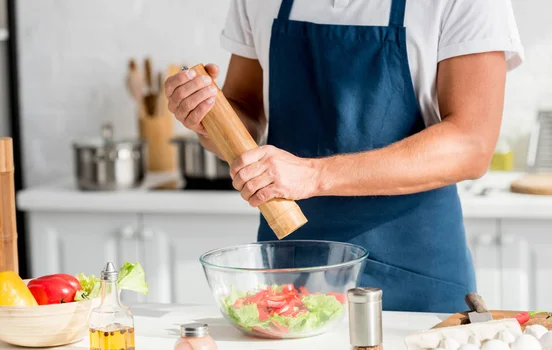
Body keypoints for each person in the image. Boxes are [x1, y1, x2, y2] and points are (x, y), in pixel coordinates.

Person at [165, 0, 524, 313]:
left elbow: (472, 145)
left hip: (417, 281)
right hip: (290, 280)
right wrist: (207, 116)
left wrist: (315, 175)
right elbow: (246, 111)